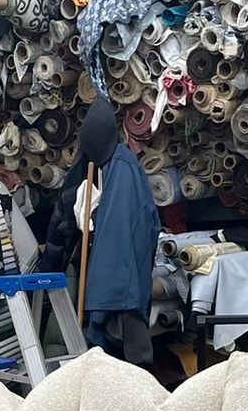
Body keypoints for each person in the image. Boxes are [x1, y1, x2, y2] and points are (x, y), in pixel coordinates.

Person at [40, 97, 159, 363]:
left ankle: (138, 401)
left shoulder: (122, 169)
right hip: (116, 279)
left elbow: (122, 230)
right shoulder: (107, 166)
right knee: (119, 353)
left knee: (130, 352)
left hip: (120, 282)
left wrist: (106, 291)